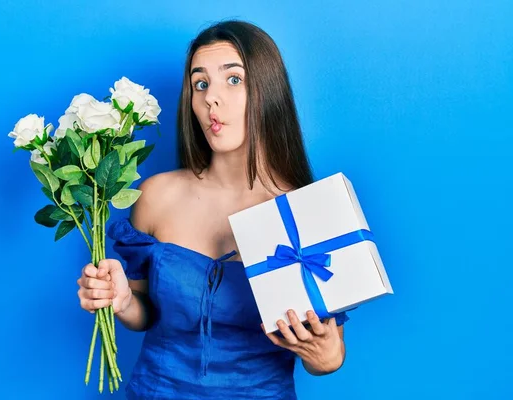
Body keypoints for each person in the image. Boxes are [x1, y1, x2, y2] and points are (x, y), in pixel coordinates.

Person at [77, 20, 349, 399]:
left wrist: (326, 357)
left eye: (233, 80)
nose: (211, 99)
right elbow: (144, 314)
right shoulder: (155, 196)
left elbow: (326, 353)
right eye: (200, 83)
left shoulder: (305, 211)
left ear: (268, 90)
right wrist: (121, 300)